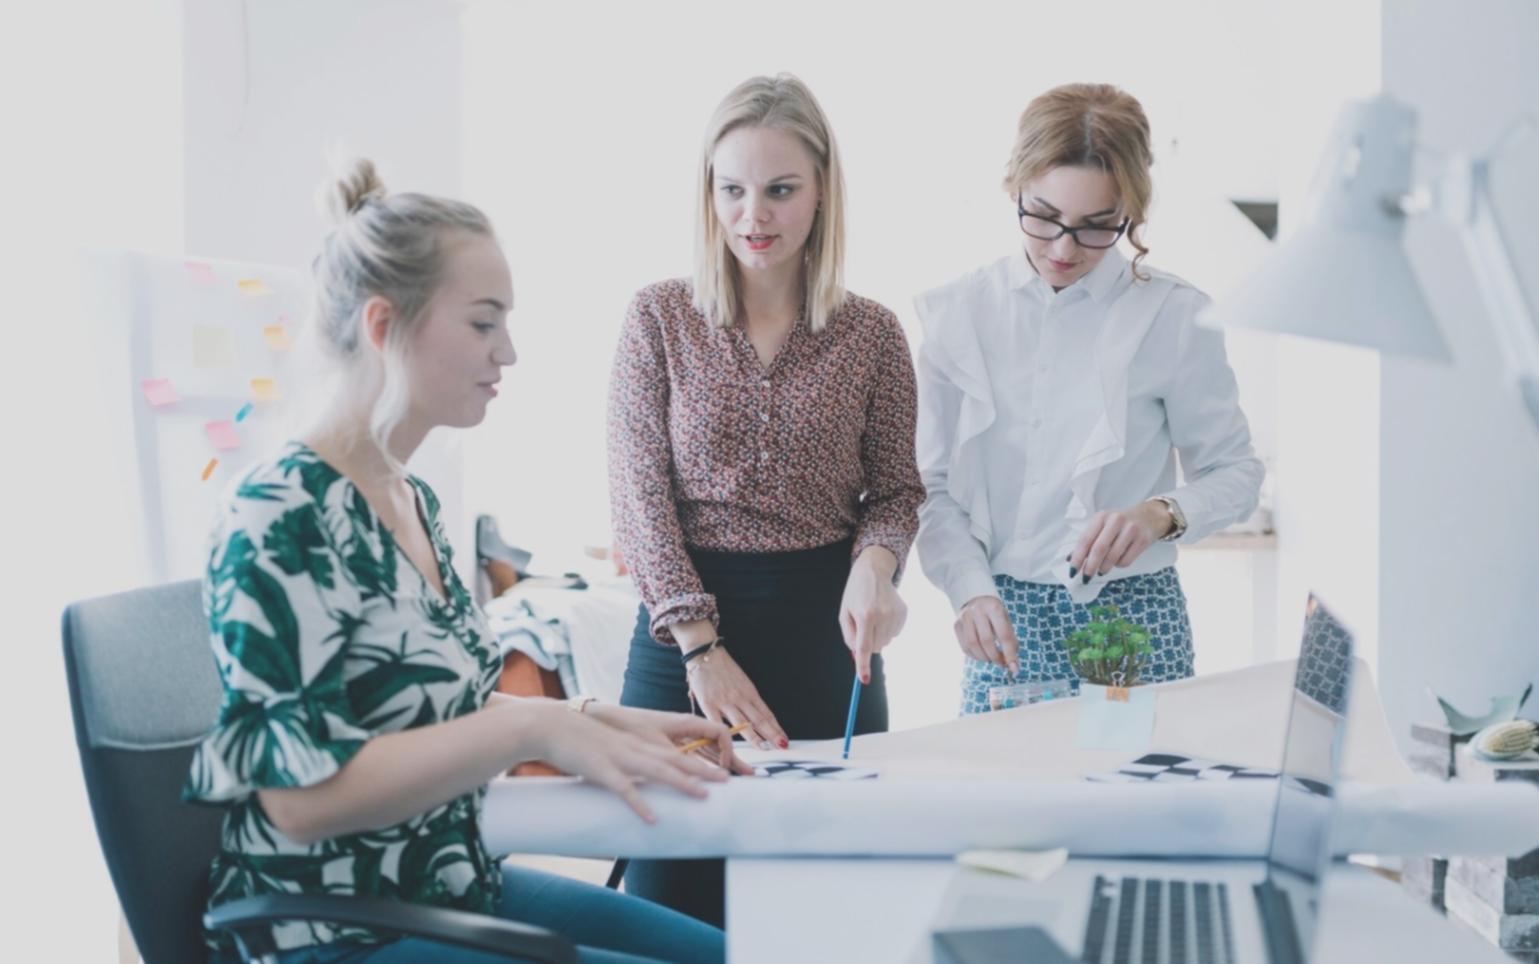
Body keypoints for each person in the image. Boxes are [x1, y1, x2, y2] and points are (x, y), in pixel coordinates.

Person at [184, 159, 748, 964]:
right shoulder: (280, 512)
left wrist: (592, 721)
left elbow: (436, 713)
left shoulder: (409, 499)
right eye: (483, 323)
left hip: (441, 886)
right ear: (385, 326)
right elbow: (296, 799)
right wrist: (530, 725)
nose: (507, 351)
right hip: (334, 932)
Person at [606, 72, 924, 925]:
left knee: (826, 911)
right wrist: (701, 648)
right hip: (682, 642)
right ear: (706, 194)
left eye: (780, 190)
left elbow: (894, 490)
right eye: (732, 189)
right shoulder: (658, 318)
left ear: (822, 193)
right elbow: (639, 496)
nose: (754, 216)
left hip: (826, 639)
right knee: (669, 916)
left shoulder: (873, 333)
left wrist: (876, 566)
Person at [914, 83, 1264, 714]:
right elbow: (930, 485)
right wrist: (968, 591)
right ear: (1013, 185)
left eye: (1097, 226)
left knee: (1143, 808)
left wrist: (1161, 512)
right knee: (1008, 807)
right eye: (1043, 216)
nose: (1063, 248)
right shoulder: (960, 314)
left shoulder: (1172, 315)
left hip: (1137, 622)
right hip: (1004, 622)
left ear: (1130, 211)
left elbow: (1237, 472)